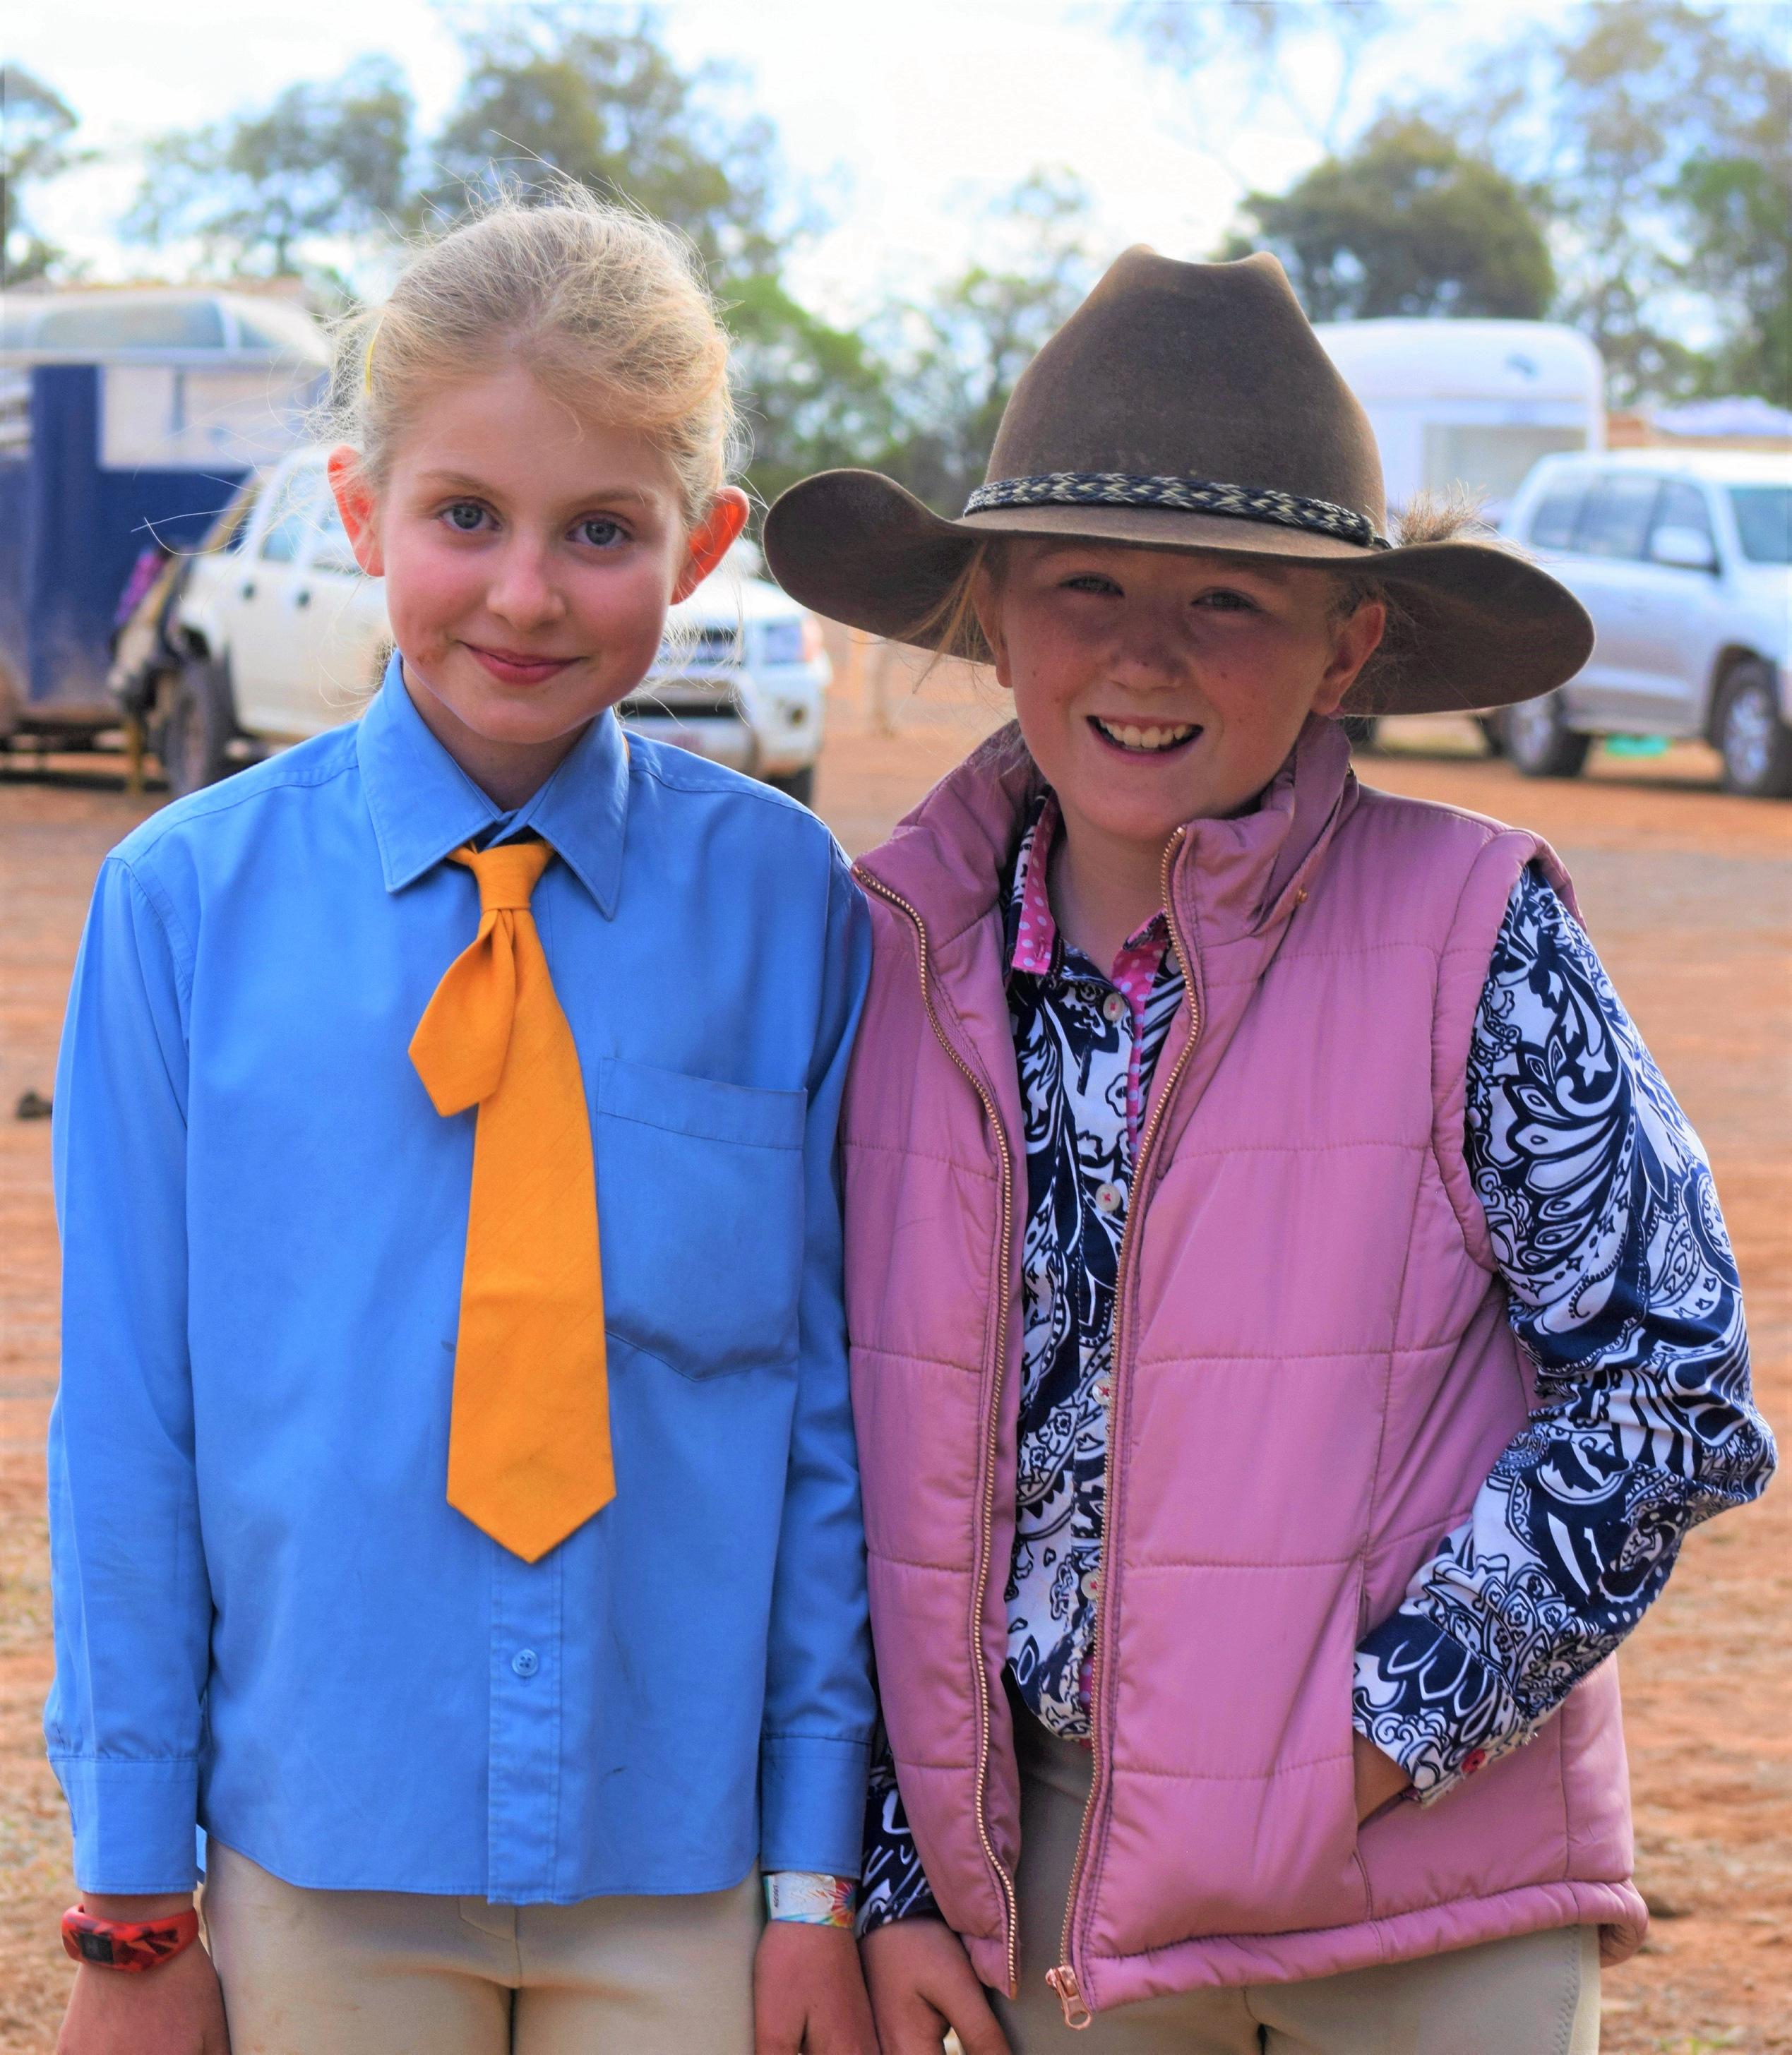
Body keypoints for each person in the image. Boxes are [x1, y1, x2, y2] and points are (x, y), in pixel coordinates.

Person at [763, 248, 1775, 2054]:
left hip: (1426, 1887)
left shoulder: (1475, 937)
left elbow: (1668, 1384)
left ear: (1350, 647)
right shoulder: (884, 957)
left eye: (1231, 597)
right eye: (1085, 583)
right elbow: (854, 1456)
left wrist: (1369, 1742)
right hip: (1052, 1875)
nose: (1147, 652)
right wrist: (903, 1873)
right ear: (993, 611)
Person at [49, 193, 876, 2055]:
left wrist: (817, 1880)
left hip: (686, 1870)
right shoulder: (183, 910)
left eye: (600, 532)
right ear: (358, 511)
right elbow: (130, 1418)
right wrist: (129, 1897)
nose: (523, 592)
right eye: (464, 519)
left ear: (704, 549)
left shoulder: (792, 909)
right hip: (317, 1853)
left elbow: (832, 1423)